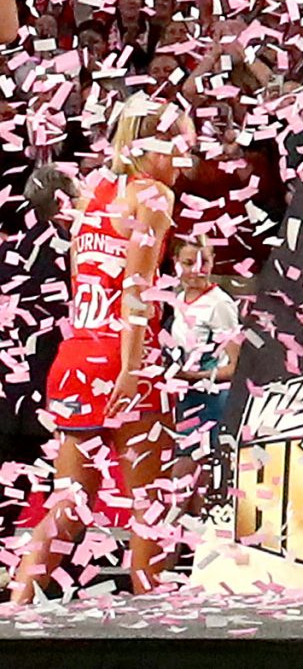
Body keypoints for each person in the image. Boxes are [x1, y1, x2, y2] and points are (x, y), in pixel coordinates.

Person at [7, 100, 180, 602]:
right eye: (178, 143)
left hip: (74, 354)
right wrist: (132, 368)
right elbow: (136, 289)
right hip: (120, 356)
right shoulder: (153, 196)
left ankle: (15, 610)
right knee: (152, 502)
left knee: (69, 500)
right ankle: (153, 624)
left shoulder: (95, 193)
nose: (183, 156)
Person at [163, 236, 240, 515]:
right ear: (175, 264)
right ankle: (193, 552)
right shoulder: (176, 300)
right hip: (185, 399)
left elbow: (234, 367)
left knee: (182, 482)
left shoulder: (220, 305)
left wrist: (193, 376)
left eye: (203, 261)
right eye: (188, 262)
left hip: (210, 403)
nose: (197, 269)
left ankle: (162, 551)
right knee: (195, 490)